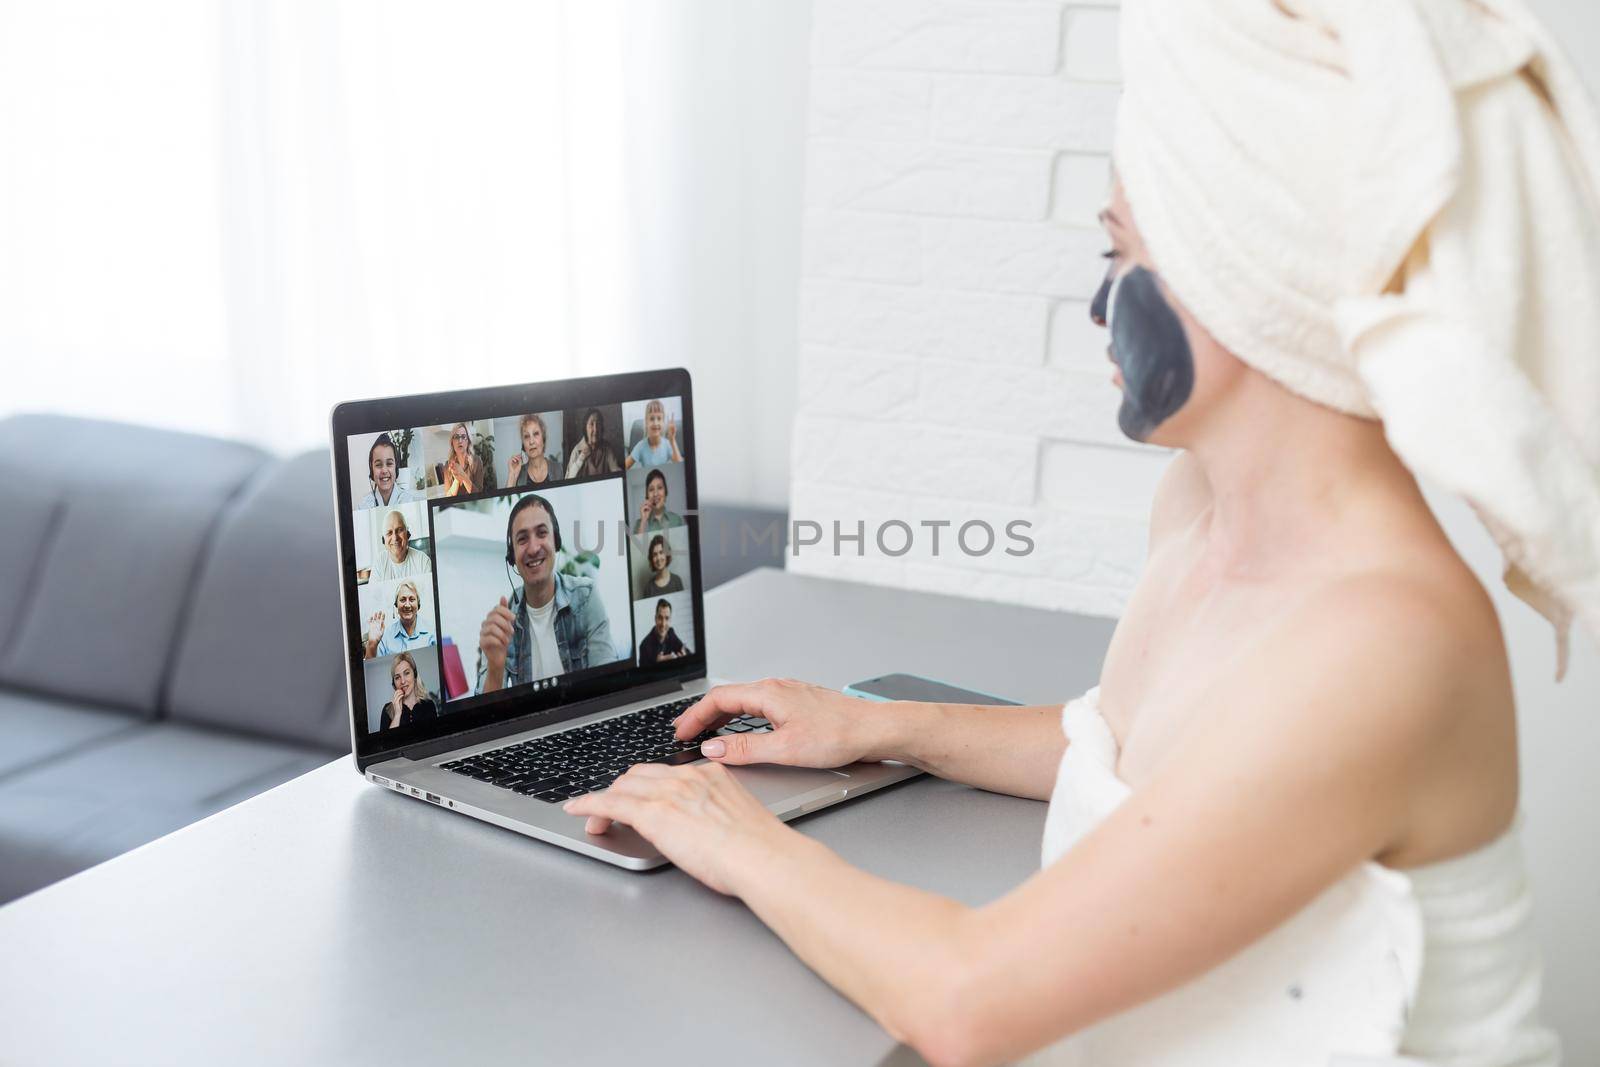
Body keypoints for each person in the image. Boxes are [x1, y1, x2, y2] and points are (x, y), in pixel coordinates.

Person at [563, 4, 1600, 1063]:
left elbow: (967, 1000)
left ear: (1245, 275)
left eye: (1120, 251)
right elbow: (1131, 748)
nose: (1095, 306)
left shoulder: (1384, 637)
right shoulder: (1199, 505)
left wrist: (734, 836)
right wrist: (876, 724)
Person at [477, 493, 617, 693]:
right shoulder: (503, 624)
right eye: (522, 539)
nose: (533, 548)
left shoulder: (585, 597)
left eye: (541, 533)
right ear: (512, 555)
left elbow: (609, 685)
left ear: (556, 541)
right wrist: (495, 669)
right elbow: (487, 715)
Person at [363, 580, 435, 659]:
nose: (407, 605)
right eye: (403, 600)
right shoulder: (385, 636)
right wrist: (372, 644)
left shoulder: (432, 631)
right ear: (396, 605)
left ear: (418, 605)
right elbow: (372, 669)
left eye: (411, 599)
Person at [379, 651, 438, 731]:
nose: (402, 681)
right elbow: (386, 742)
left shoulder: (429, 705)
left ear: (415, 675)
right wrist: (397, 714)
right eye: (397, 677)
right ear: (394, 683)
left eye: (406, 673)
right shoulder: (387, 710)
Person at [368, 510, 433, 582]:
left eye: (399, 530)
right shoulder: (379, 563)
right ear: (384, 540)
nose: (395, 538)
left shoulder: (423, 561)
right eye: (389, 533)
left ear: (407, 534)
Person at [359, 433, 416, 509]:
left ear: (396, 467)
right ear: (371, 469)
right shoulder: (363, 506)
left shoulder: (409, 501)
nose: (384, 470)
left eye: (389, 463)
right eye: (378, 465)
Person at [624, 399, 684, 469]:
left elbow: (681, 467)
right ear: (646, 422)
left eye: (659, 418)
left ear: (663, 422)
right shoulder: (640, 446)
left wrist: (672, 440)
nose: (655, 423)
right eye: (652, 419)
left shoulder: (667, 444)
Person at [564, 408, 621, 479]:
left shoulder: (607, 447)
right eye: (591, 424)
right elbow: (568, 479)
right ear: (585, 428)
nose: (595, 429)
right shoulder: (577, 450)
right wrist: (581, 458)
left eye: (598, 424)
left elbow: (616, 470)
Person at [507, 413, 557, 487]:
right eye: (526, 436)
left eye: (536, 434)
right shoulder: (518, 473)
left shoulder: (558, 468)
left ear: (543, 439)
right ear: (523, 444)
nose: (531, 441)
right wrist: (512, 476)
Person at [436, 422, 485, 497]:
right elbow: (448, 496)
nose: (460, 441)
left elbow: (478, 495)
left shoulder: (477, 461)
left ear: (468, 441)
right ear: (452, 442)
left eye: (463, 436)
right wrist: (457, 479)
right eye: (456, 437)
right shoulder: (448, 465)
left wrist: (462, 474)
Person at [638, 599, 690, 664]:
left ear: (670, 620)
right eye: (660, 618)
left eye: (667, 618)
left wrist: (685, 656)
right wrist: (657, 664)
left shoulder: (670, 633)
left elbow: (685, 651)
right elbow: (643, 673)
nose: (663, 624)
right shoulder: (644, 646)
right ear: (655, 618)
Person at [634, 469, 684, 536]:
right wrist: (643, 521)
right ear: (647, 496)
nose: (655, 494)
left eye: (660, 488)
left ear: (665, 493)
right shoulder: (639, 524)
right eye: (651, 489)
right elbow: (637, 546)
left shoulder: (677, 520)